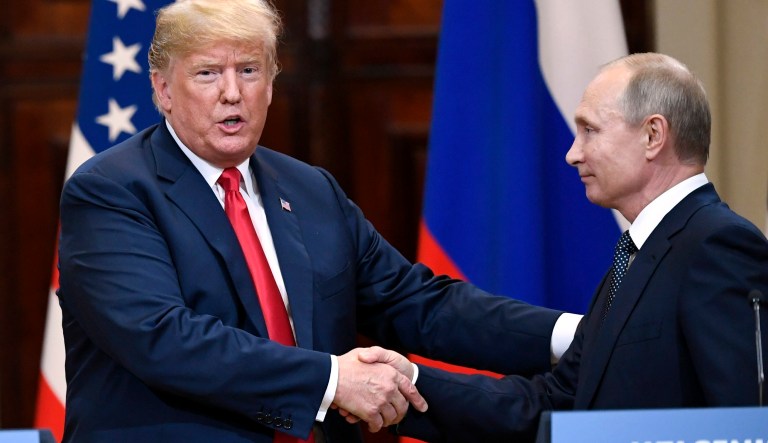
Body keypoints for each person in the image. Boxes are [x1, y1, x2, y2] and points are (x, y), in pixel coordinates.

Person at [56, 1, 580, 442]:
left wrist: (571, 334)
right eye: (207, 73)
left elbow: (414, 302)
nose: (232, 93)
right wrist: (333, 380)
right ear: (163, 90)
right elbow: (164, 339)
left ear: (271, 83)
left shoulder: (310, 190)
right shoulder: (111, 191)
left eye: (249, 70)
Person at [383, 52, 768, 442]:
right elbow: (556, 403)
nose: (573, 154)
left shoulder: (717, 245)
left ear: (653, 135)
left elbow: (745, 426)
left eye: (590, 130)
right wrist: (405, 384)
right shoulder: (637, 253)